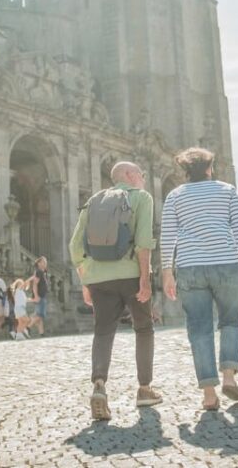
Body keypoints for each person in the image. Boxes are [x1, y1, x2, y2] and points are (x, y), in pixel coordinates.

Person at [160, 147, 238, 411]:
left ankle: (209, 394)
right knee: (230, 320)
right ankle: (228, 375)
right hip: (226, 263)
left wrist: (167, 272)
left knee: (199, 328)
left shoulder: (175, 196)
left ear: (186, 171)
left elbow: (168, 236)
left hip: (190, 267)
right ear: (208, 169)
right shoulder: (226, 190)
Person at [70, 161, 161, 421]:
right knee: (143, 328)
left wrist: (86, 282)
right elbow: (144, 242)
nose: (143, 178)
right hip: (131, 274)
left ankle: (99, 385)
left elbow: (75, 247)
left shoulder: (94, 200)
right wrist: (144, 279)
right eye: (141, 174)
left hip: (98, 278)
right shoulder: (142, 198)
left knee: (103, 331)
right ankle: (144, 389)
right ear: (130, 176)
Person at [30, 256, 50, 337]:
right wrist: (36, 296)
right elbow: (35, 285)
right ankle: (27, 328)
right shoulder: (38, 272)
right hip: (40, 296)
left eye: (46, 262)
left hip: (42, 296)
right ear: (39, 263)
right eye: (43, 262)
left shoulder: (42, 272)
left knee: (40, 317)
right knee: (40, 315)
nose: (45, 264)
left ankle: (42, 333)